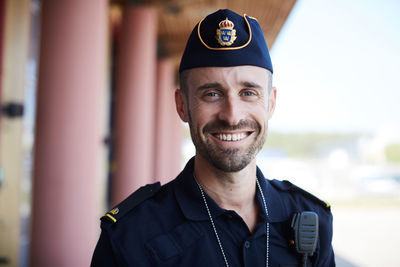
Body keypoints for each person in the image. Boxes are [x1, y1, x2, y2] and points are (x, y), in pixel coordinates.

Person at [91, 9, 335, 267]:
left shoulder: (311, 218)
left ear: (270, 103)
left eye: (248, 93)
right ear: (182, 105)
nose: (232, 116)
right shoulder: (129, 236)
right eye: (212, 94)